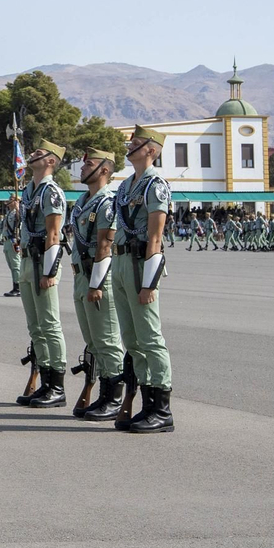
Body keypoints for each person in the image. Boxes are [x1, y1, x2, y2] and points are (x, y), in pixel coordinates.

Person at [111, 126, 175, 434]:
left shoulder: (155, 185)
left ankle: (161, 408)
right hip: (121, 261)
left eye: (136, 144)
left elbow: (155, 237)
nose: (130, 147)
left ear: (150, 150)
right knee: (132, 339)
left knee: (150, 336)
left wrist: (149, 284)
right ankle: (146, 402)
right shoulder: (125, 186)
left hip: (141, 264)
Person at [69, 147, 127, 422]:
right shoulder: (83, 201)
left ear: (104, 170)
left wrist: (96, 284)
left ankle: (114, 398)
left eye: (88, 163)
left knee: (107, 340)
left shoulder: (107, 202)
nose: (82, 168)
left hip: (98, 279)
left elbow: (105, 244)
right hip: (82, 276)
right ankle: (104, 394)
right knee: (93, 340)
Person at [13, 141, 69, 409]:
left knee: (49, 324)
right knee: (35, 326)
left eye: (38, 153)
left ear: (51, 161)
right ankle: (45, 379)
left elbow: (54, 234)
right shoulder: (29, 190)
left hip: (40, 264)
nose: (32, 154)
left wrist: (49, 271)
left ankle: (56, 385)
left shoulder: (51, 191)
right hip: (26, 261)